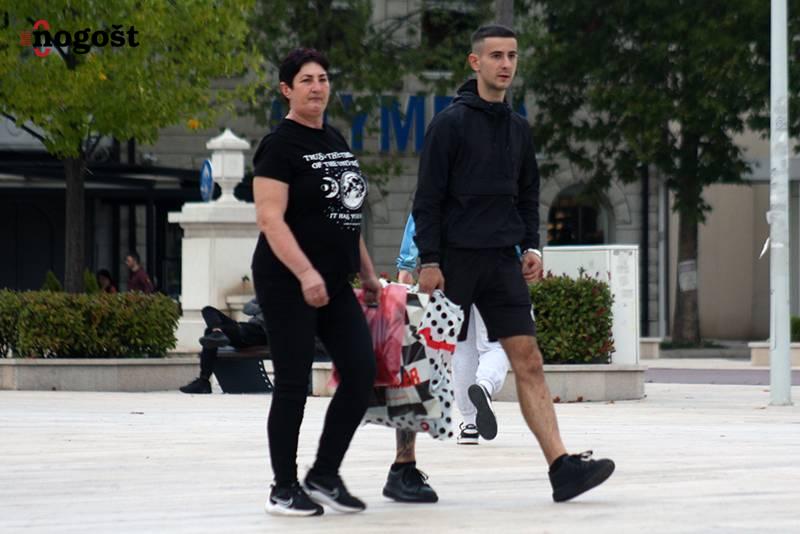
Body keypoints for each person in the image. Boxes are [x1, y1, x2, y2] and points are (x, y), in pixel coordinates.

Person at [412, 24, 615, 503]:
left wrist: (532, 247)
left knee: (529, 361)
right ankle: (403, 468)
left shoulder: (518, 128)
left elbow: (527, 194)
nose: (506, 64)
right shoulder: (448, 125)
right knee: (427, 364)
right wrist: (430, 259)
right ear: (475, 62)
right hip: (453, 262)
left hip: (502, 263)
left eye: (512, 56)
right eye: (496, 56)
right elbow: (427, 199)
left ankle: (561, 467)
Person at [251, 48, 378, 517]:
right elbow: (269, 218)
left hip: (334, 282)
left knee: (361, 373)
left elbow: (346, 214)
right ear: (286, 89)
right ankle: (283, 488)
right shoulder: (278, 146)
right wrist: (305, 273)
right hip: (287, 281)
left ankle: (324, 473)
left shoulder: (334, 137)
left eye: (322, 78)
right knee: (292, 382)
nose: (317, 87)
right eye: (306, 80)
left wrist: (367, 271)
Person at [396, 214, 509, 445]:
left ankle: (469, 424)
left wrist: (406, 264)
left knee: (462, 346)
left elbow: (421, 215)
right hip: (494, 265)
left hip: (452, 269)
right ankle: (485, 385)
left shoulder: (439, 188)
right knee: (495, 343)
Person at [179, 299, 268, 394]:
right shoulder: (266, 296)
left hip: (259, 334)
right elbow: (247, 309)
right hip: (245, 328)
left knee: (209, 333)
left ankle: (203, 381)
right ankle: (217, 332)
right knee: (208, 310)